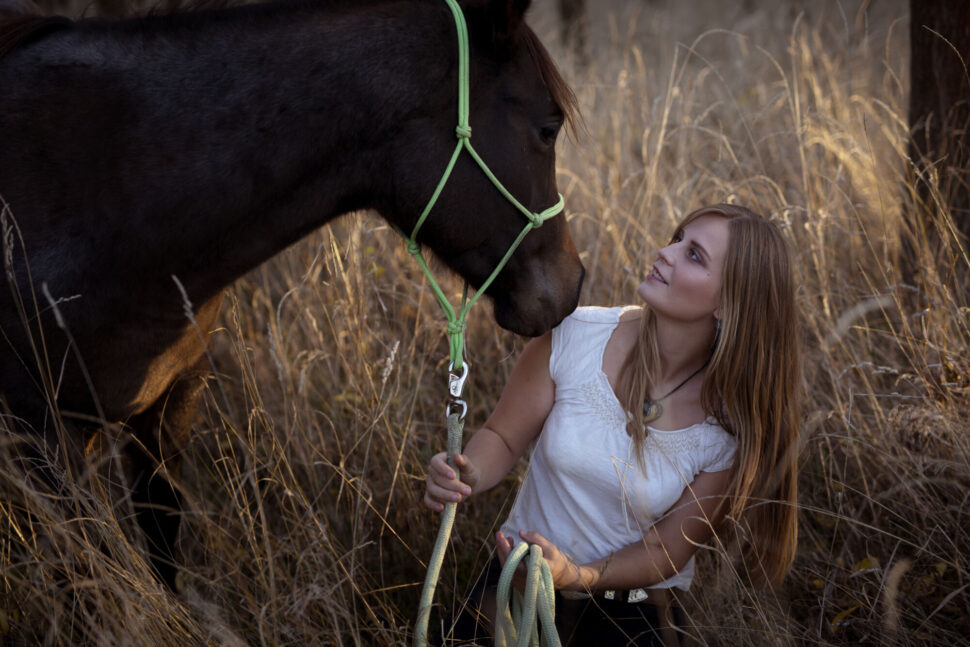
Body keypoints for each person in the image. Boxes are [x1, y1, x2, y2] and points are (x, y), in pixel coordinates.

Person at [424, 204, 802, 646]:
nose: (665, 251)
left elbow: (664, 552)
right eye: (677, 238)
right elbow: (503, 438)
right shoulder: (576, 335)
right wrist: (468, 473)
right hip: (517, 585)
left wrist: (577, 575)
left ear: (728, 302)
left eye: (694, 255)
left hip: (634, 621)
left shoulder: (725, 429)